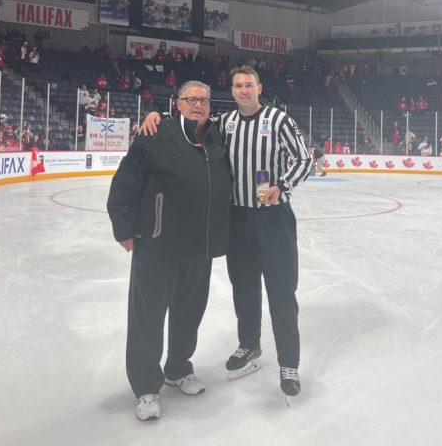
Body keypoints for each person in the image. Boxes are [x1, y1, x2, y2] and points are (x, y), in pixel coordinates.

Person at [139, 66, 312, 402]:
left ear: (259, 88)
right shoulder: (226, 123)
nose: (244, 91)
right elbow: (193, 120)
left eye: (249, 85)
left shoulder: (279, 120)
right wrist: (157, 113)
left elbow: (305, 161)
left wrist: (282, 186)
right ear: (231, 91)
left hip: (273, 219)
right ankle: (249, 346)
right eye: (237, 86)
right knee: (244, 288)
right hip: (237, 220)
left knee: (281, 292)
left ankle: (289, 364)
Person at [107, 81, 233, 422]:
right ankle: (146, 387)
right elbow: (126, 180)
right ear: (178, 104)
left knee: (189, 314)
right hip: (157, 245)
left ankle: (178, 368)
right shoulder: (156, 132)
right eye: (191, 99)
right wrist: (122, 223)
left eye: (204, 100)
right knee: (147, 316)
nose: (198, 105)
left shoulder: (219, 136)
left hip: (199, 247)